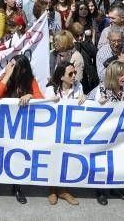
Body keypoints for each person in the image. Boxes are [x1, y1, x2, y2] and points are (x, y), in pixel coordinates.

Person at [0, 54, 42, 205]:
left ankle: (17, 187)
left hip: (19, 127)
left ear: (23, 69)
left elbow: (41, 98)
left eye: (14, 66)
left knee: (17, 156)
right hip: (2, 124)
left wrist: (30, 95)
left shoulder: (30, 81)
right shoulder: (6, 77)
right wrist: (7, 74)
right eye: (10, 64)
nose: (11, 67)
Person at [42, 60, 84, 205]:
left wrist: (84, 99)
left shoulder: (79, 87)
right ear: (61, 76)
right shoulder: (51, 89)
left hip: (71, 131)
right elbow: (43, 110)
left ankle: (64, 190)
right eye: (70, 74)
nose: (74, 76)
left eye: (75, 73)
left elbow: (83, 106)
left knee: (68, 159)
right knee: (54, 158)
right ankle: (52, 189)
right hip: (53, 131)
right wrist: (49, 101)